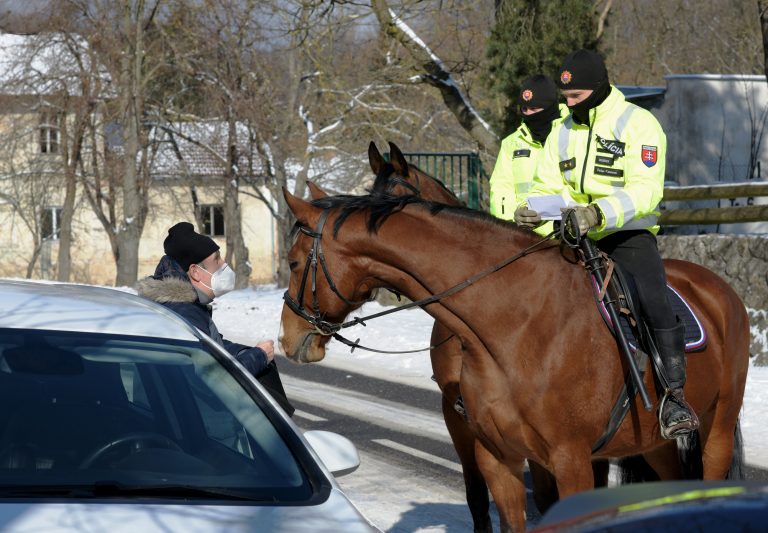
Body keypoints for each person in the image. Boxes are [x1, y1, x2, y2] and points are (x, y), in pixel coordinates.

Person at [514, 49, 698, 439]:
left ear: (598, 88)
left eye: (575, 97)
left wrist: (598, 214)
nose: (567, 105)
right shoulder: (563, 131)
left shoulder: (639, 124)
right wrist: (531, 208)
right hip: (571, 234)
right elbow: (548, 184)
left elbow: (646, 190)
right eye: (565, 97)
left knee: (652, 300)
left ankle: (674, 396)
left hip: (626, 233)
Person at [136, 221, 295, 417]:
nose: (224, 265)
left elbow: (209, 346)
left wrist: (244, 351)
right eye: (217, 259)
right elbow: (213, 380)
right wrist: (258, 357)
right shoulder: (184, 313)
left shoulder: (178, 306)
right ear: (195, 272)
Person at [489, 74, 567, 236]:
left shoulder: (573, 132)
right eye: (524, 109)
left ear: (550, 107)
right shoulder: (511, 143)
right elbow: (501, 187)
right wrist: (509, 221)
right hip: (523, 235)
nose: (529, 114)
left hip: (568, 232)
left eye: (534, 109)